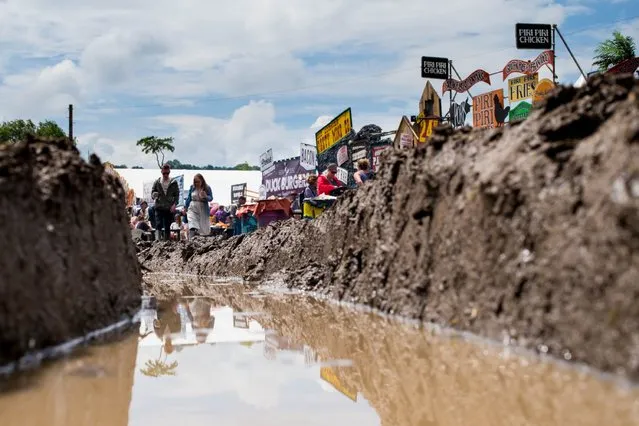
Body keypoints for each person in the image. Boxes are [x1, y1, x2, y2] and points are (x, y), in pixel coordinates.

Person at [151, 164, 180, 241]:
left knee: (167, 226)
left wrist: (174, 205)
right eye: (164, 173)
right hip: (159, 206)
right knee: (158, 224)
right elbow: (152, 193)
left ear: (169, 172)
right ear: (161, 172)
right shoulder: (157, 182)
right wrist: (154, 195)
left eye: (167, 173)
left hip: (169, 207)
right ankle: (157, 241)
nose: (166, 175)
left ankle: (166, 242)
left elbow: (177, 195)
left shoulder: (173, 182)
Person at [185, 173, 213, 239]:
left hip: (203, 208)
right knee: (192, 222)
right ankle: (191, 239)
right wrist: (186, 207)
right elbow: (189, 198)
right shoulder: (192, 187)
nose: (196, 183)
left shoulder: (207, 188)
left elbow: (211, 198)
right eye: (195, 182)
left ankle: (201, 239)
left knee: (203, 227)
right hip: (193, 207)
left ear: (202, 181)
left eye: (198, 182)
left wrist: (206, 196)